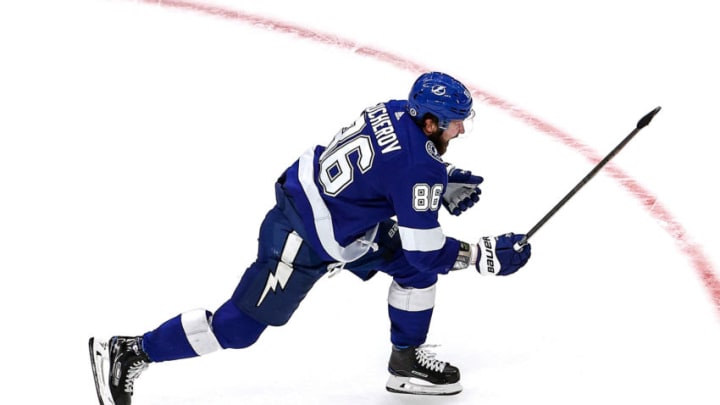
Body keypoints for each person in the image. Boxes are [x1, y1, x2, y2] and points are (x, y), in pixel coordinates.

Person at [88, 71, 532, 404]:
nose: (460, 131)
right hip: (302, 237)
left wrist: (440, 181)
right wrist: (483, 255)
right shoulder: (419, 168)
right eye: (454, 123)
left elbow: (389, 167)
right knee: (238, 329)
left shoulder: (397, 109)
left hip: (344, 220)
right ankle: (130, 351)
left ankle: (406, 360)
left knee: (409, 273)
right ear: (431, 122)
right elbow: (427, 251)